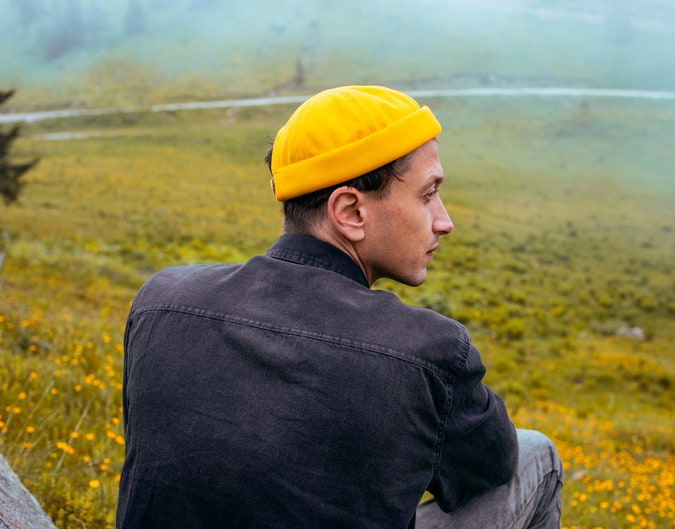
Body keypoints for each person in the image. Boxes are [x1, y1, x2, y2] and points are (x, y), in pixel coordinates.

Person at [116, 85, 563, 529]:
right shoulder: (429, 353)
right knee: (535, 453)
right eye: (428, 194)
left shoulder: (160, 300)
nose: (444, 221)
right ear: (350, 212)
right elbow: (492, 465)